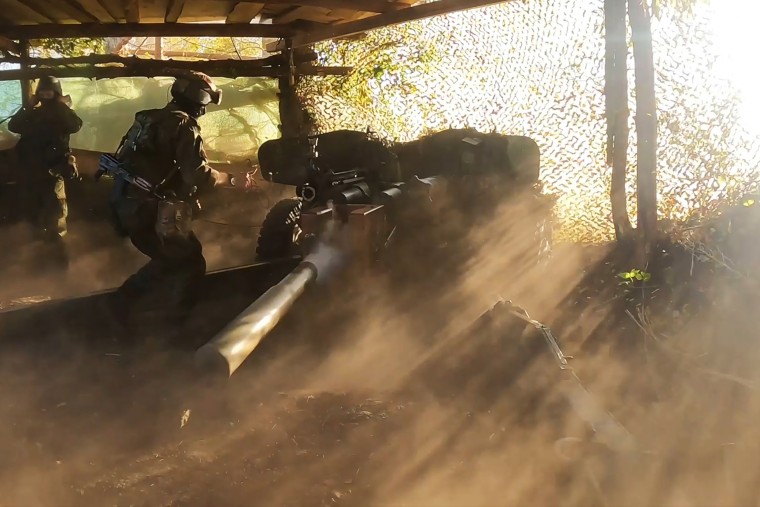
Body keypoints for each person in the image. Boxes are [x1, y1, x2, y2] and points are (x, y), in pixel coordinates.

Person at [105, 70, 245, 332]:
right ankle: (168, 322)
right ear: (200, 99)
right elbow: (197, 174)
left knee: (173, 260)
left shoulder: (148, 118)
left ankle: (138, 311)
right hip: (150, 211)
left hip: (126, 203)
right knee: (189, 262)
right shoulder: (183, 125)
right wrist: (231, 180)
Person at [8, 76, 83, 268]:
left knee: (55, 220)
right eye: (43, 92)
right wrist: (28, 106)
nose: (45, 95)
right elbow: (13, 126)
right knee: (33, 219)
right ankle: (39, 265)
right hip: (32, 175)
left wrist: (61, 106)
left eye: (49, 91)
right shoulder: (34, 114)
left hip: (52, 174)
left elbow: (75, 125)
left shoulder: (62, 114)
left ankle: (59, 266)